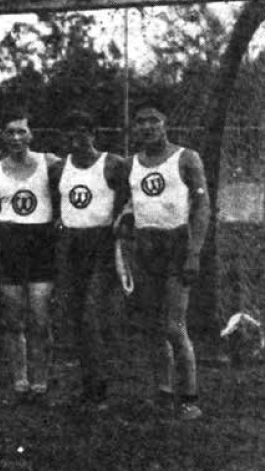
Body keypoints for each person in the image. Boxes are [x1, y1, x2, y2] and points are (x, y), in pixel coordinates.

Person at [118, 101, 209, 420]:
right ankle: (164, 392)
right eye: (140, 122)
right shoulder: (132, 163)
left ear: (165, 124)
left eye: (153, 121)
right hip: (146, 248)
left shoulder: (186, 158)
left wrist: (194, 252)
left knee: (174, 325)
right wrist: (127, 217)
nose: (147, 127)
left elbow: (202, 208)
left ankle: (189, 397)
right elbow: (133, 200)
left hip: (177, 246)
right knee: (154, 327)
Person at [55, 110, 129, 410]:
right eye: (71, 134)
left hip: (101, 245)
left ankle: (99, 388)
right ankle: (89, 385)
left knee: (91, 316)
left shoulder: (112, 164)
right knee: (76, 318)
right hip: (71, 245)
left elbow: (129, 202)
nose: (77, 139)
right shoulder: (59, 168)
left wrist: (121, 228)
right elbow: (57, 202)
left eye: (83, 133)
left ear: (93, 134)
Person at [0, 109, 62, 404]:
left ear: (31, 135)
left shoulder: (51, 163)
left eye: (21, 132)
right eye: (10, 132)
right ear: (3, 138)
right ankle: (20, 381)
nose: (16, 137)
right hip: (10, 245)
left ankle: (41, 382)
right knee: (13, 320)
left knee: (40, 318)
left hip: (41, 244)